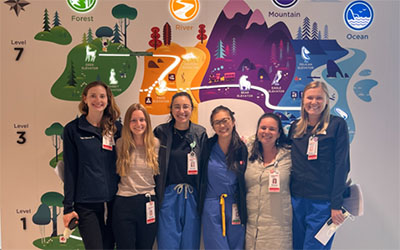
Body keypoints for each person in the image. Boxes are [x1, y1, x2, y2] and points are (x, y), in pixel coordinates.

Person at [288, 81, 350, 249]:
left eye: (319, 98)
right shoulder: (295, 128)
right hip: (296, 200)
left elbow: (342, 166)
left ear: (326, 101)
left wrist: (336, 204)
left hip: (323, 203)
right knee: (297, 246)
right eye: (310, 97)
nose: (313, 102)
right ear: (303, 100)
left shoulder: (337, 125)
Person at [62, 81, 122, 249]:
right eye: (93, 96)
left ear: (108, 99)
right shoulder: (73, 130)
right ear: (85, 99)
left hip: (114, 201)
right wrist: (68, 207)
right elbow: (70, 170)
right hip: (86, 204)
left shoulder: (116, 129)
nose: (98, 100)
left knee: (110, 246)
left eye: (102, 96)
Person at [154, 92, 208, 249]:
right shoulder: (161, 132)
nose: (181, 111)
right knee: (167, 242)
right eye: (177, 107)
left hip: (192, 196)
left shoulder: (200, 133)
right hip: (168, 196)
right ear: (171, 109)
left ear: (192, 109)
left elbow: (205, 168)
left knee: (190, 243)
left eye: (185, 107)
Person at [112, 103, 160, 249]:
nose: (138, 124)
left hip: (148, 202)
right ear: (127, 123)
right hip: (124, 203)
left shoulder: (156, 144)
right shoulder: (120, 145)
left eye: (142, 120)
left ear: (147, 122)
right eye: (133, 120)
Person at [200, 105, 248, 250]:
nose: (222, 125)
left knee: (236, 245)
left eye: (225, 120)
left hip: (235, 206)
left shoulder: (241, 148)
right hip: (211, 205)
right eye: (217, 122)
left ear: (233, 121)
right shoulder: (207, 146)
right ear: (213, 127)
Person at [245, 113, 292, 250]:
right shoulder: (247, 154)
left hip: (278, 230)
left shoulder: (289, 156)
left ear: (278, 133)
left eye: (272, 129)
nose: (266, 132)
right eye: (263, 128)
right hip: (252, 229)